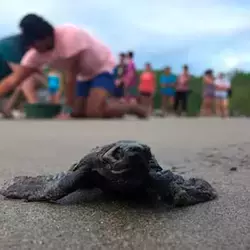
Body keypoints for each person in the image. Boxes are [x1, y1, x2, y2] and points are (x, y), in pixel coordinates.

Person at [0, 14, 148, 119]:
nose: (32, 47)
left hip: (102, 67)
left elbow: (71, 75)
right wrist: (72, 111)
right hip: (84, 76)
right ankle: (107, 106)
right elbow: (12, 81)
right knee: (79, 113)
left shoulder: (68, 36)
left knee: (94, 112)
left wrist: (67, 110)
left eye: (34, 43)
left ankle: (131, 107)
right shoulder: (35, 55)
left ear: (46, 37)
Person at [0, 34, 46, 118]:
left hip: (6, 81)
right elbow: (24, 78)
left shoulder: (31, 54)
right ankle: (33, 107)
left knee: (35, 79)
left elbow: (40, 74)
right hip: (4, 81)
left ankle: (7, 108)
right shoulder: (10, 46)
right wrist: (34, 105)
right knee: (26, 79)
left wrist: (52, 87)